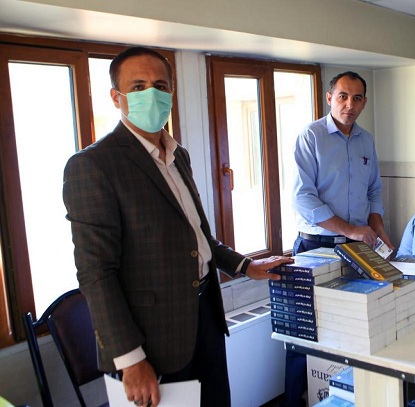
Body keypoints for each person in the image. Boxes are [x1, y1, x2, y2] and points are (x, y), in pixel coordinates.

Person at [63, 46, 292, 407]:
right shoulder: (93, 165)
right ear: (116, 97)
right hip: (151, 340)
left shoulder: (177, 155)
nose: (151, 94)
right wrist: (130, 359)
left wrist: (246, 266)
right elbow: (96, 273)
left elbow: (195, 236)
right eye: (138, 87)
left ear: (171, 92)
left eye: (160, 85)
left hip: (205, 319)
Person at [287, 71, 394, 406]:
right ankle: (293, 401)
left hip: (356, 249)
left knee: (352, 327)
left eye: (357, 98)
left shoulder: (366, 140)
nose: (350, 104)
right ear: (329, 97)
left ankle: (344, 398)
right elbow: (302, 198)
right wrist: (350, 229)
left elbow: (373, 191)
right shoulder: (311, 136)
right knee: (303, 331)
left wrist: (379, 230)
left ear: (364, 102)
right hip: (315, 248)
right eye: (343, 96)